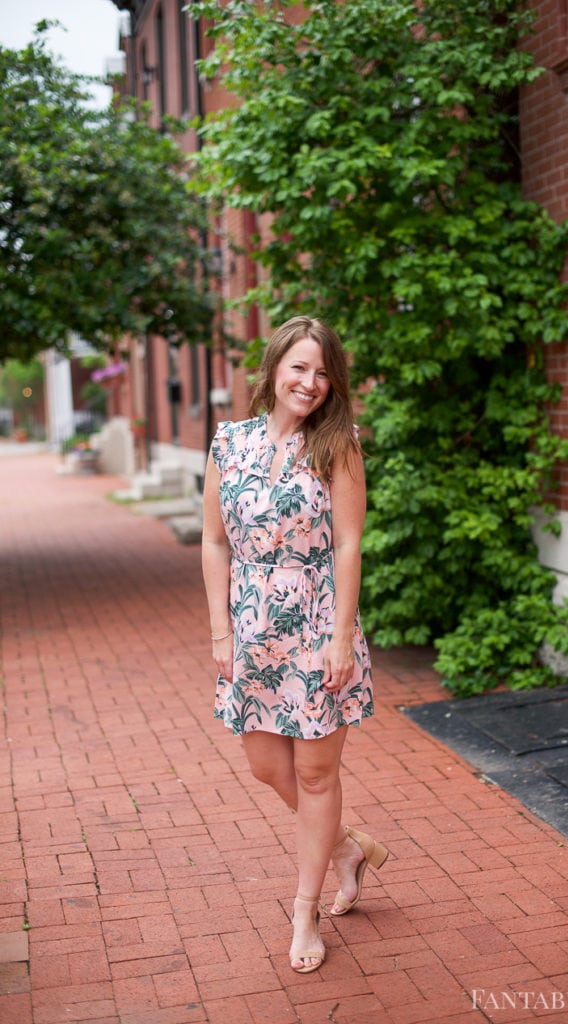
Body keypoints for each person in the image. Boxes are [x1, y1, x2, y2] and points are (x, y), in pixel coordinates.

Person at [201, 315, 389, 974]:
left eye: (321, 372)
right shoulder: (230, 443)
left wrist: (340, 636)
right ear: (275, 365)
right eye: (299, 367)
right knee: (264, 766)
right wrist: (220, 630)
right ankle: (346, 848)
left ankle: (304, 910)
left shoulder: (336, 445)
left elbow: (348, 543)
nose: (309, 382)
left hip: (315, 628)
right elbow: (214, 540)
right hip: (251, 634)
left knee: (314, 773)